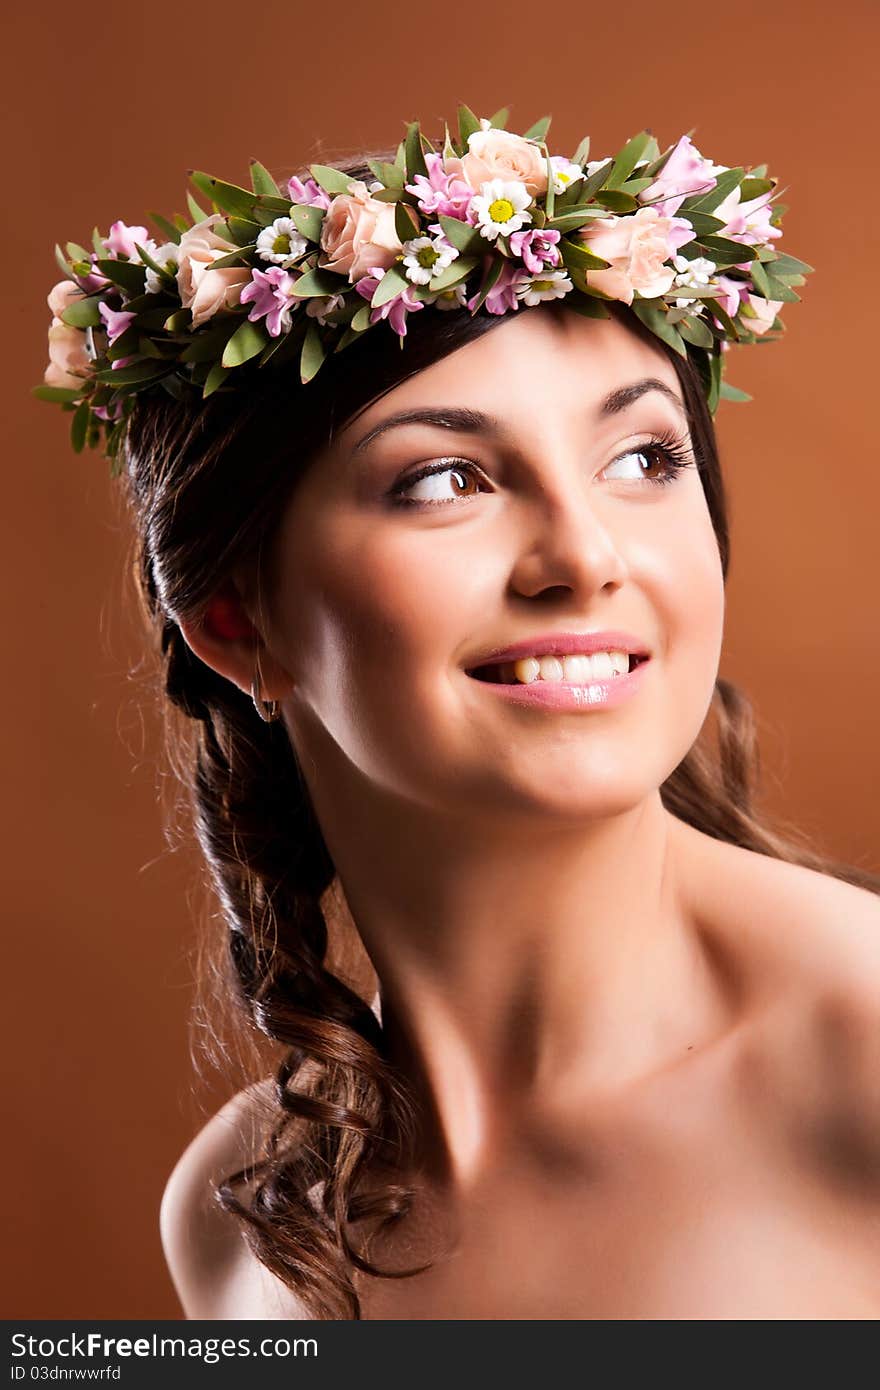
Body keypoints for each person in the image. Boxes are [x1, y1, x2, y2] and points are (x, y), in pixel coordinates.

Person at [39, 112, 880, 1320]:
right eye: (446, 480)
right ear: (234, 620)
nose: (585, 557)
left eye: (644, 456)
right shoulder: (239, 1222)